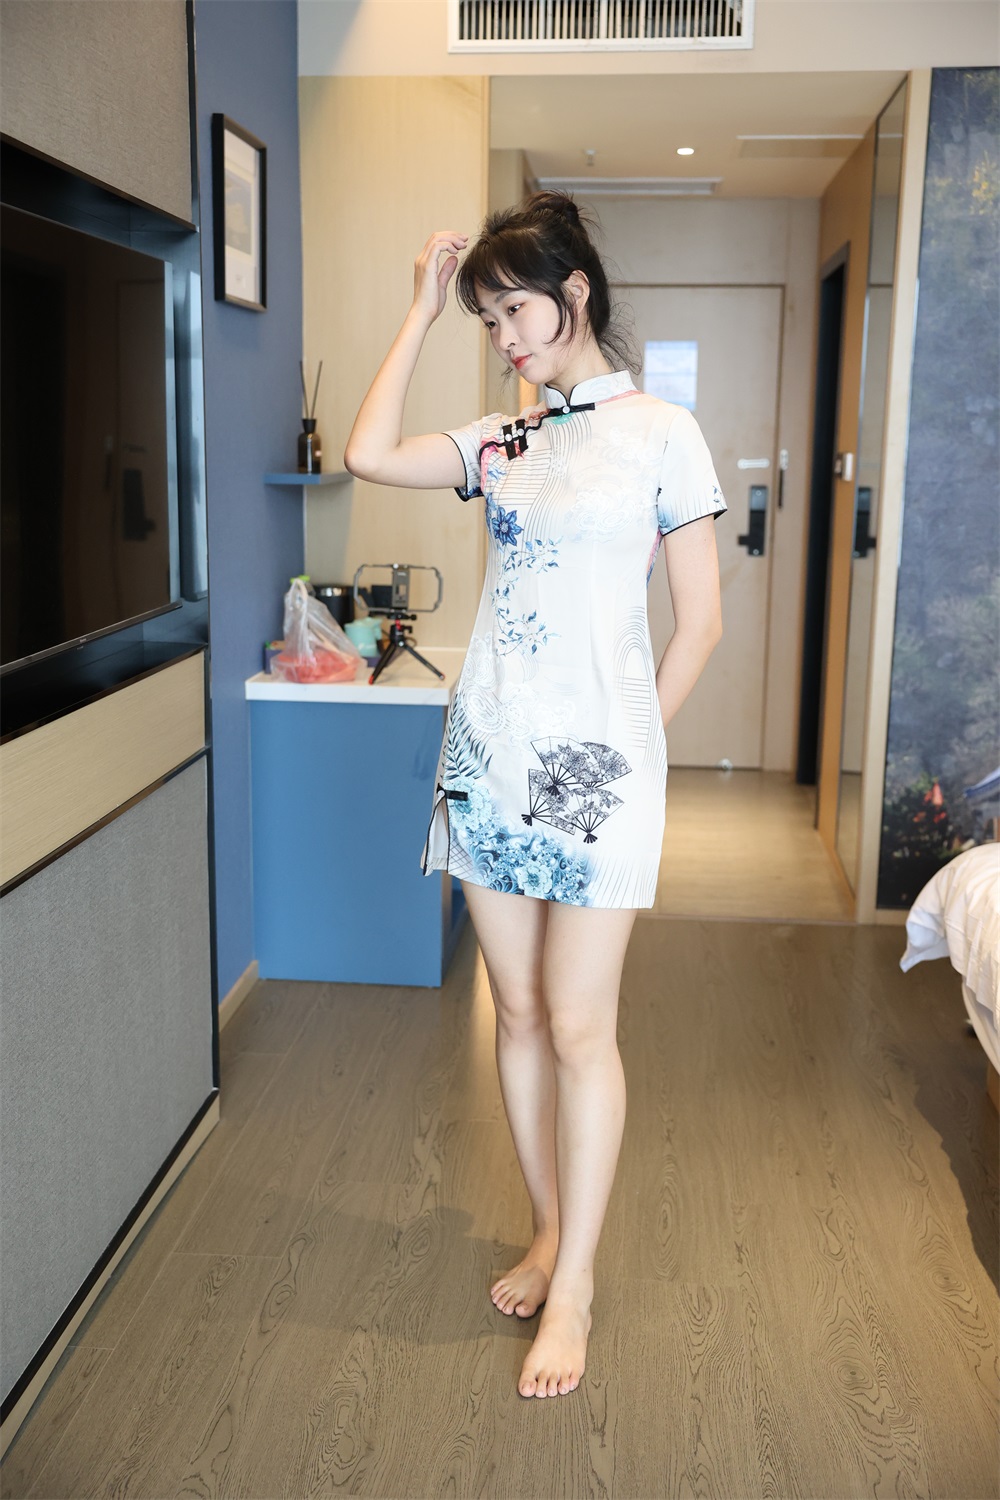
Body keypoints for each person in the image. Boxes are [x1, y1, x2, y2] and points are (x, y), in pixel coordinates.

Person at [344, 192, 727, 1400]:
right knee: (511, 1012)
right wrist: (420, 310)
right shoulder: (503, 442)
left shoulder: (662, 433)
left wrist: (628, 752)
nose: (503, 338)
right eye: (487, 320)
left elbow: (700, 624)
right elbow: (367, 456)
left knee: (576, 1025)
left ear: (574, 294)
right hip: (488, 757)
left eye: (514, 311)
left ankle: (577, 1288)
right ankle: (550, 1230)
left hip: (594, 771)